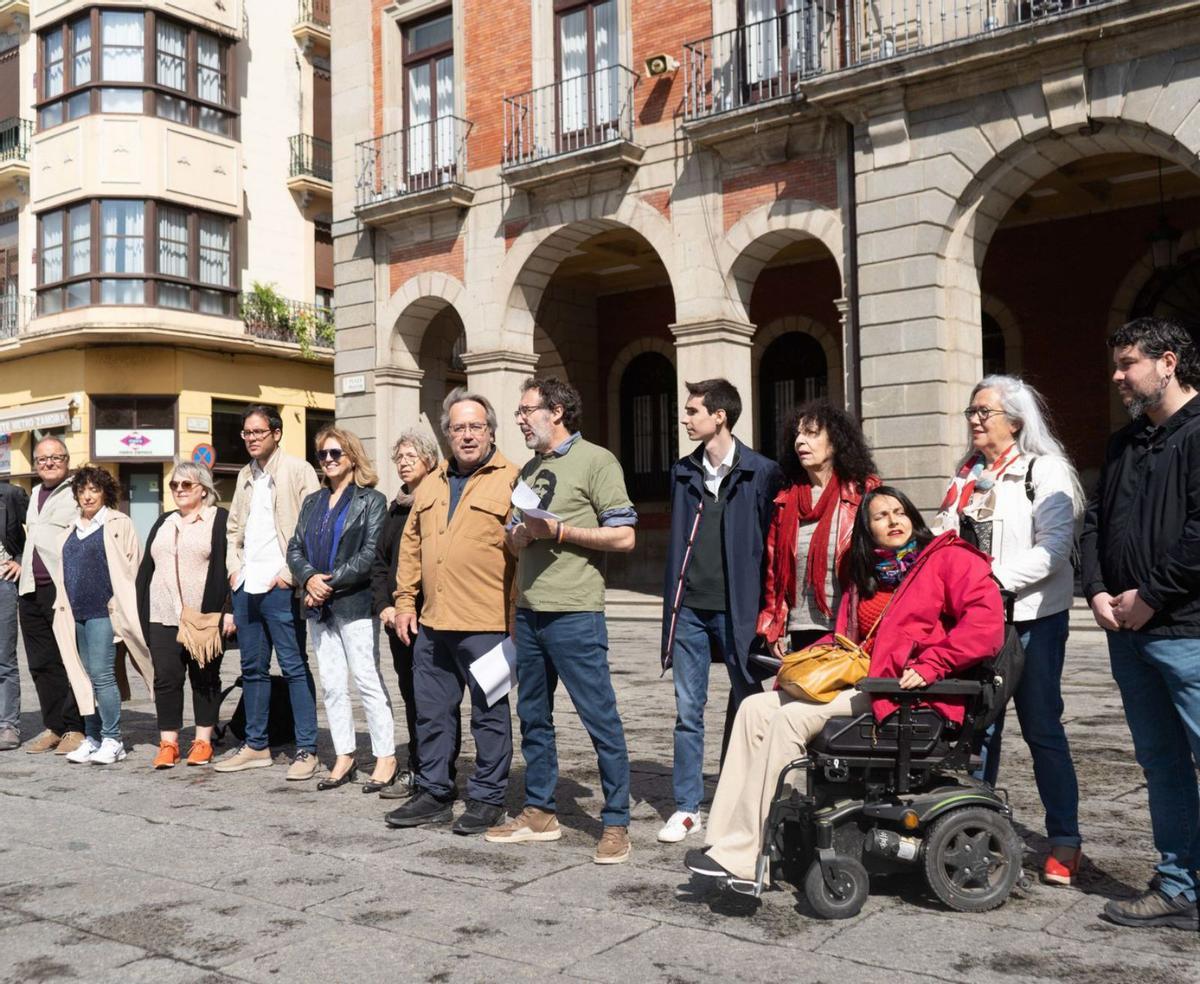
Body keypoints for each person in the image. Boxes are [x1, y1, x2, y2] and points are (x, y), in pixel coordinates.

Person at [685, 486, 1004, 886]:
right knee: (753, 707)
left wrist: (932, 663)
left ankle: (750, 859)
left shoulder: (948, 559)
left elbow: (987, 628)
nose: (893, 521)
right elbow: (846, 641)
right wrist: (800, 663)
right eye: (880, 517)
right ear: (866, 531)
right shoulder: (867, 574)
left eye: (899, 511)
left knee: (790, 720)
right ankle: (723, 842)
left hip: (907, 694)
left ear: (913, 517)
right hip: (863, 681)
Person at [933, 374, 1084, 885]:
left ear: (1015, 421)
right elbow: (943, 535)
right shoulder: (964, 475)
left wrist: (989, 582)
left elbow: (1054, 546)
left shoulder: (1046, 469)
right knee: (978, 730)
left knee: (1042, 727)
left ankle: (1065, 839)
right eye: (971, 412)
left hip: (1033, 620)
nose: (974, 420)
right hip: (977, 625)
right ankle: (975, 832)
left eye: (984, 412)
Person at [487, 376, 637, 864]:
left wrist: (560, 530)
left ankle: (616, 822)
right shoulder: (530, 468)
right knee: (533, 716)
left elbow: (625, 537)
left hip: (575, 611)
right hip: (529, 612)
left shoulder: (597, 461)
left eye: (527, 409)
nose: (519, 418)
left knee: (599, 719)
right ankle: (540, 811)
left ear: (556, 411)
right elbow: (514, 538)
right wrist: (520, 537)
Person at [1081, 317, 1200, 932]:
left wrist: (1151, 595)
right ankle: (1179, 886)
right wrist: (1097, 590)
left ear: (1169, 362)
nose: (1118, 375)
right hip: (1128, 633)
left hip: (1188, 633)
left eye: (1129, 363)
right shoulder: (1122, 443)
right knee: (1162, 765)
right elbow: (1094, 522)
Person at [385, 390, 518, 835]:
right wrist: (405, 601)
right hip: (434, 623)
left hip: (489, 625)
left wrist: (519, 623)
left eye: (475, 426)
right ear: (446, 434)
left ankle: (487, 798)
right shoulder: (431, 483)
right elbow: (411, 546)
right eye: (458, 427)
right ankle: (434, 792)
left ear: (490, 431)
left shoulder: (515, 479)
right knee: (432, 713)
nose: (466, 435)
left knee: (489, 714)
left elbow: (527, 556)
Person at [658, 378, 783, 845]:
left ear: (720, 417)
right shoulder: (682, 472)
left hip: (740, 612)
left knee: (748, 705)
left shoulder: (762, 472)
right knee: (688, 712)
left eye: (693, 411)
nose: (685, 418)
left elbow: (773, 546)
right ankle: (687, 807)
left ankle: (739, 800)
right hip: (688, 610)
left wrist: (773, 609)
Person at [216, 405, 321, 780]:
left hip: (281, 585)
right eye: (247, 433)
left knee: (293, 666)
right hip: (247, 584)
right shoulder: (245, 475)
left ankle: (307, 748)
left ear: (276, 433)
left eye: (259, 432)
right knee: (252, 669)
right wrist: (234, 569)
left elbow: (312, 524)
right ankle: (256, 745)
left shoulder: (297, 470)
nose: (252, 438)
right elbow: (233, 531)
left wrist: (290, 575)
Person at [288, 426, 396, 792]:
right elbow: (295, 549)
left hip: (354, 604)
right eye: (323, 455)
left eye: (336, 453)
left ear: (352, 456)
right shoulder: (312, 502)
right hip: (319, 607)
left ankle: (385, 756)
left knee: (366, 679)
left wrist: (326, 582)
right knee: (332, 685)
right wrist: (309, 579)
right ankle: (345, 755)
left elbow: (370, 556)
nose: (329, 461)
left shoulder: (372, 500)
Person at [758, 400, 880, 656]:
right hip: (801, 627)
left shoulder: (862, 494)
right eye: (798, 434)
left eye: (811, 433)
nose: (800, 441)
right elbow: (773, 571)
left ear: (835, 442)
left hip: (849, 626)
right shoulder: (785, 500)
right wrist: (773, 624)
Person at [50, 466, 154, 766]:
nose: (87, 495)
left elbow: (132, 571)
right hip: (74, 613)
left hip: (104, 612)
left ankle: (113, 738)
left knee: (102, 675)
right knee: (83, 678)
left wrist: (124, 609)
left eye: (94, 489)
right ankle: (93, 737)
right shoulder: (70, 530)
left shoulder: (119, 523)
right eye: (82, 490)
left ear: (105, 492)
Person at [136, 462, 234, 769]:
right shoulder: (164, 521)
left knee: (204, 678)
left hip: (202, 615)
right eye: (174, 485)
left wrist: (228, 610)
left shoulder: (218, 519)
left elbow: (230, 567)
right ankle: (169, 743)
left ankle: (203, 741)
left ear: (203, 489)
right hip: (162, 613)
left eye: (186, 485)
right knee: (166, 678)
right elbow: (146, 569)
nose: (179, 489)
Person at [371, 429, 453, 797]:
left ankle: (440, 772)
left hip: (431, 615)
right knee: (411, 695)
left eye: (410, 456)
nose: (403, 463)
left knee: (436, 699)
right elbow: (380, 562)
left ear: (429, 460)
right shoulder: (397, 506)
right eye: (399, 458)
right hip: (398, 619)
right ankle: (419, 767)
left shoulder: (440, 499)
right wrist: (385, 605)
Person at [18, 436, 86, 755]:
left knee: (71, 660)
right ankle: (55, 727)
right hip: (31, 589)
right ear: (35, 464)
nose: (49, 463)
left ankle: (77, 727)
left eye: (55, 458)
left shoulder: (78, 491)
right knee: (42, 663)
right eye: (42, 459)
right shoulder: (33, 494)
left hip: (63, 590)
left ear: (67, 460)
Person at [0, 479, 29, 750]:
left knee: (3, 658)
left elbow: (37, 533)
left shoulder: (11, 494)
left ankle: (8, 724)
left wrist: (20, 561)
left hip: (2, 583)